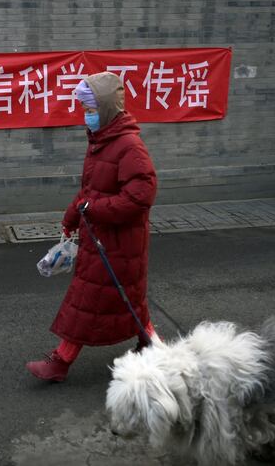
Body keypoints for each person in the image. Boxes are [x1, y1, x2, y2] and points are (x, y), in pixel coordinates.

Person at [26, 71, 158, 382]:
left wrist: (93, 210)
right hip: (103, 239)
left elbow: (140, 197)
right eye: (84, 110)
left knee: (87, 300)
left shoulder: (128, 146)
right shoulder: (102, 142)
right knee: (129, 299)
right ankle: (153, 347)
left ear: (107, 108)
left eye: (90, 109)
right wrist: (72, 216)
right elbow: (90, 191)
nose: (86, 116)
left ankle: (60, 362)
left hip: (118, 243)